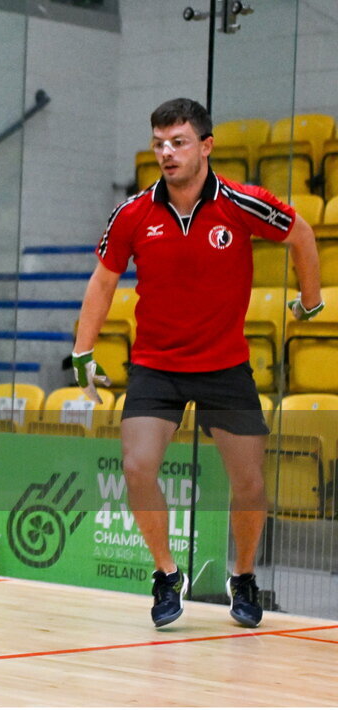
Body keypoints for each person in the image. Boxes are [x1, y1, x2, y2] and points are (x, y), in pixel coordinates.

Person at [71, 98, 323, 629]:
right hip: (156, 366)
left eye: (178, 142)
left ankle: (245, 576)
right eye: (159, 143)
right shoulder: (133, 213)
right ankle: (166, 574)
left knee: (250, 482)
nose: (167, 152)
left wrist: (310, 299)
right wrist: (83, 350)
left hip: (225, 366)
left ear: (205, 146)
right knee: (137, 467)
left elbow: (301, 234)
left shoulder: (242, 203)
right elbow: (103, 281)